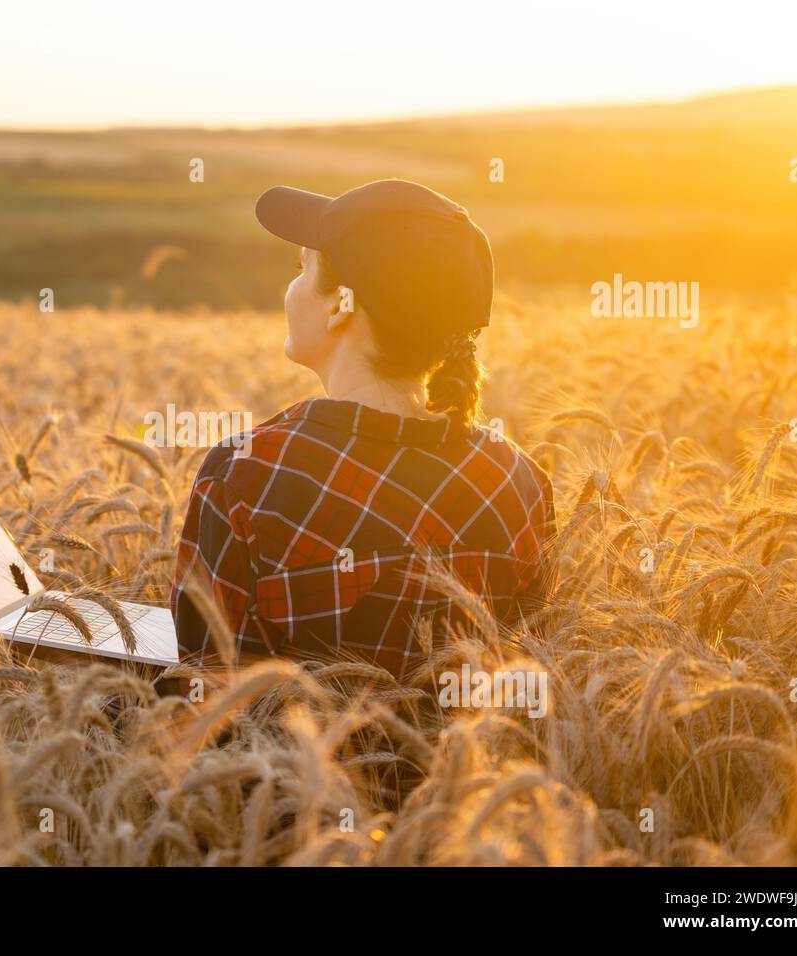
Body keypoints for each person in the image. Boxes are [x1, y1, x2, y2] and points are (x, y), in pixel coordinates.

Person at [169, 180, 554, 677]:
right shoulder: (520, 482)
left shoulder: (245, 474)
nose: (290, 287)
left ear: (341, 305)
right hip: (477, 756)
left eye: (301, 269)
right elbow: (534, 669)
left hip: (290, 757)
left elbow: (205, 686)